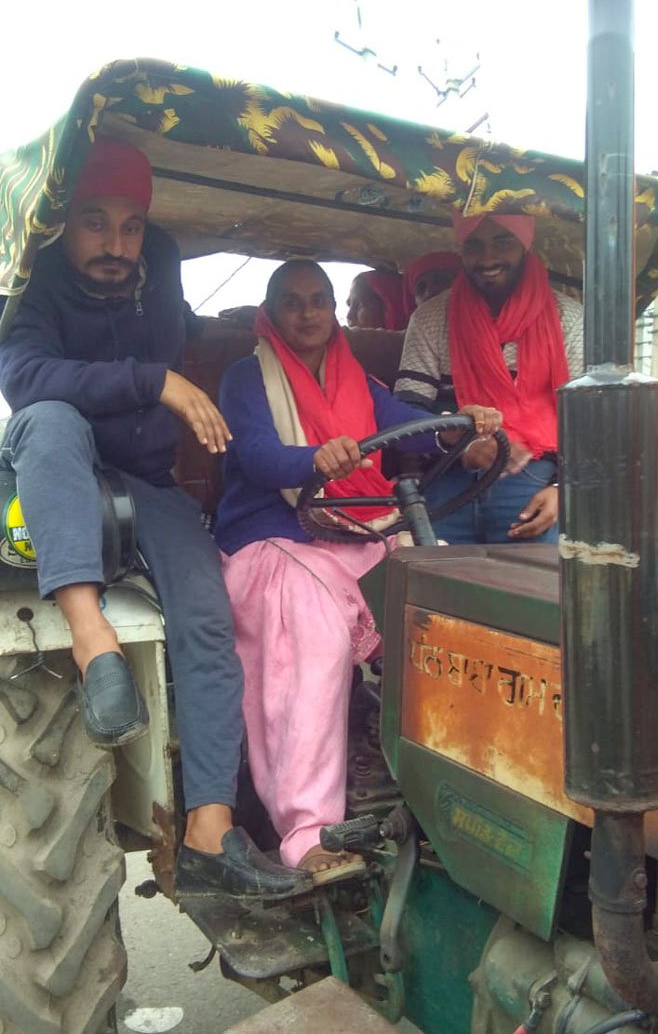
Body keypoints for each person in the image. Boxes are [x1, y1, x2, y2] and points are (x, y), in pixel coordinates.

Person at [0, 137, 311, 900]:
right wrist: (157, 380)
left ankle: (210, 827)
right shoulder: (36, 282)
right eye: (95, 223)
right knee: (47, 417)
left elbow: (180, 329)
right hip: (59, 468)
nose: (115, 243)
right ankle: (90, 637)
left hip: (146, 478)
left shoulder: (160, 268)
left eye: (130, 225)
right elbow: (24, 377)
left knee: (209, 618)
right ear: (65, 224)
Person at [215, 259, 500, 880]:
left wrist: (464, 433)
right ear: (272, 312)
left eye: (320, 300)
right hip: (270, 541)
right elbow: (261, 458)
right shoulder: (244, 379)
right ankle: (307, 831)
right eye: (293, 302)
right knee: (312, 626)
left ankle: (469, 788)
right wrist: (314, 459)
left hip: (353, 529)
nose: (309, 312)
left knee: (446, 589)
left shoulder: (359, 380)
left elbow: (402, 426)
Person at [394, 211, 584, 543]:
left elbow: (589, 426)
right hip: (448, 478)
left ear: (525, 245)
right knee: (430, 584)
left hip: (537, 481)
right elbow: (403, 420)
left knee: (533, 589)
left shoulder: (570, 318)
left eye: (503, 242)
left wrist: (562, 490)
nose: (488, 258)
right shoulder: (430, 318)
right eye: (475, 245)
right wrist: (461, 443)